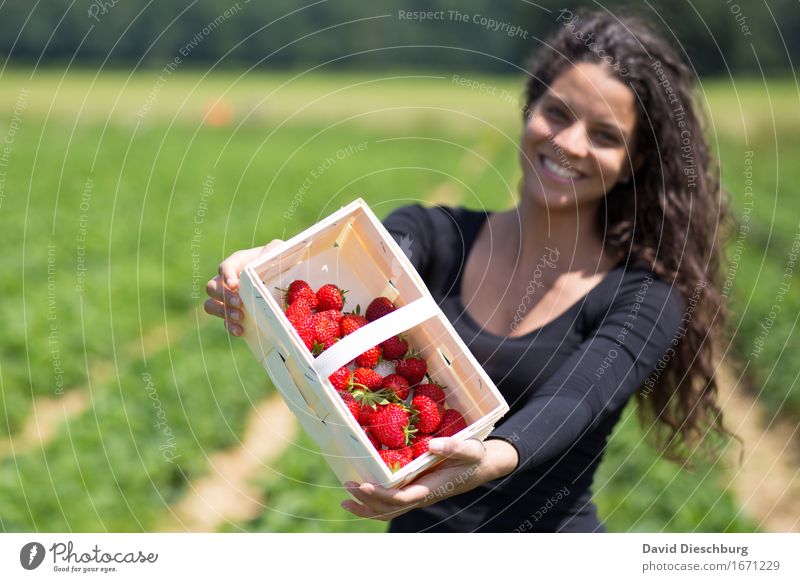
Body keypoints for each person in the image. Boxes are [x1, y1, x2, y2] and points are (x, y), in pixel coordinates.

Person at [204, 10, 733, 532]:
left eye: (605, 135)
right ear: (530, 108)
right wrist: (269, 273)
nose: (570, 143)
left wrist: (494, 456)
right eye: (558, 112)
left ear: (635, 161)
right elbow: (375, 264)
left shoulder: (646, 297)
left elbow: (577, 397)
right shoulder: (435, 236)